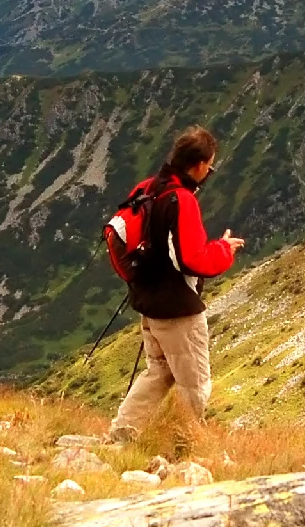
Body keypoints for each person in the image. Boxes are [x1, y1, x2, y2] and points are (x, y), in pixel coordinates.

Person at [106, 126, 245, 443]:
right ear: (199, 165)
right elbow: (191, 260)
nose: (210, 171)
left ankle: (121, 435)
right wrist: (224, 250)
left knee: (158, 372)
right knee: (195, 383)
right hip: (178, 310)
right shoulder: (181, 201)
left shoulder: (149, 187)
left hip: (149, 302)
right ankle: (180, 444)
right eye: (210, 165)